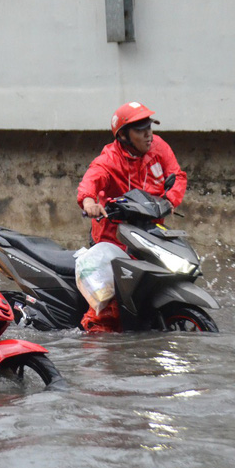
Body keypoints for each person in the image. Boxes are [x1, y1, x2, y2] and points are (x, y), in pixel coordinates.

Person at [75, 102, 187, 332]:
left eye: (149, 128)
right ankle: (96, 335)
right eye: (140, 130)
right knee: (109, 303)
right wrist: (89, 202)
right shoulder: (109, 159)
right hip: (114, 238)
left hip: (149, 233)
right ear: (124, 136)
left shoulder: (159, 148)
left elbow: (177, 176)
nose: (148, 135)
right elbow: (91, 180)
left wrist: (170, 199)